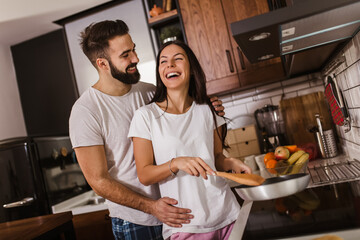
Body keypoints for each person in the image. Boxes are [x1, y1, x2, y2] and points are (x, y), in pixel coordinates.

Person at [69, 20, 225, 240]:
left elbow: (186, 116)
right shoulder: (86, 111)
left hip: (178, 213)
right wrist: (152, 207)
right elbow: (98, 181)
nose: (136, 58)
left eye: (134, 49)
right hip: (136, 221)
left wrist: (207, 105)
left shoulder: (149, 92)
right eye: (125, 55)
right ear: (102, 64)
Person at [128, 40, 252, 240]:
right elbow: (144, 174)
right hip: (186, 223)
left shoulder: (207, 109)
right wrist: (176, 163)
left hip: (227, 213)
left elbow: (217, 156)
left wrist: (231, 162)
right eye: (163, 62)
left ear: (191, 69)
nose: (170, 65)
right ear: (160, 72)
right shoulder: (145, 116)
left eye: (178, 59)